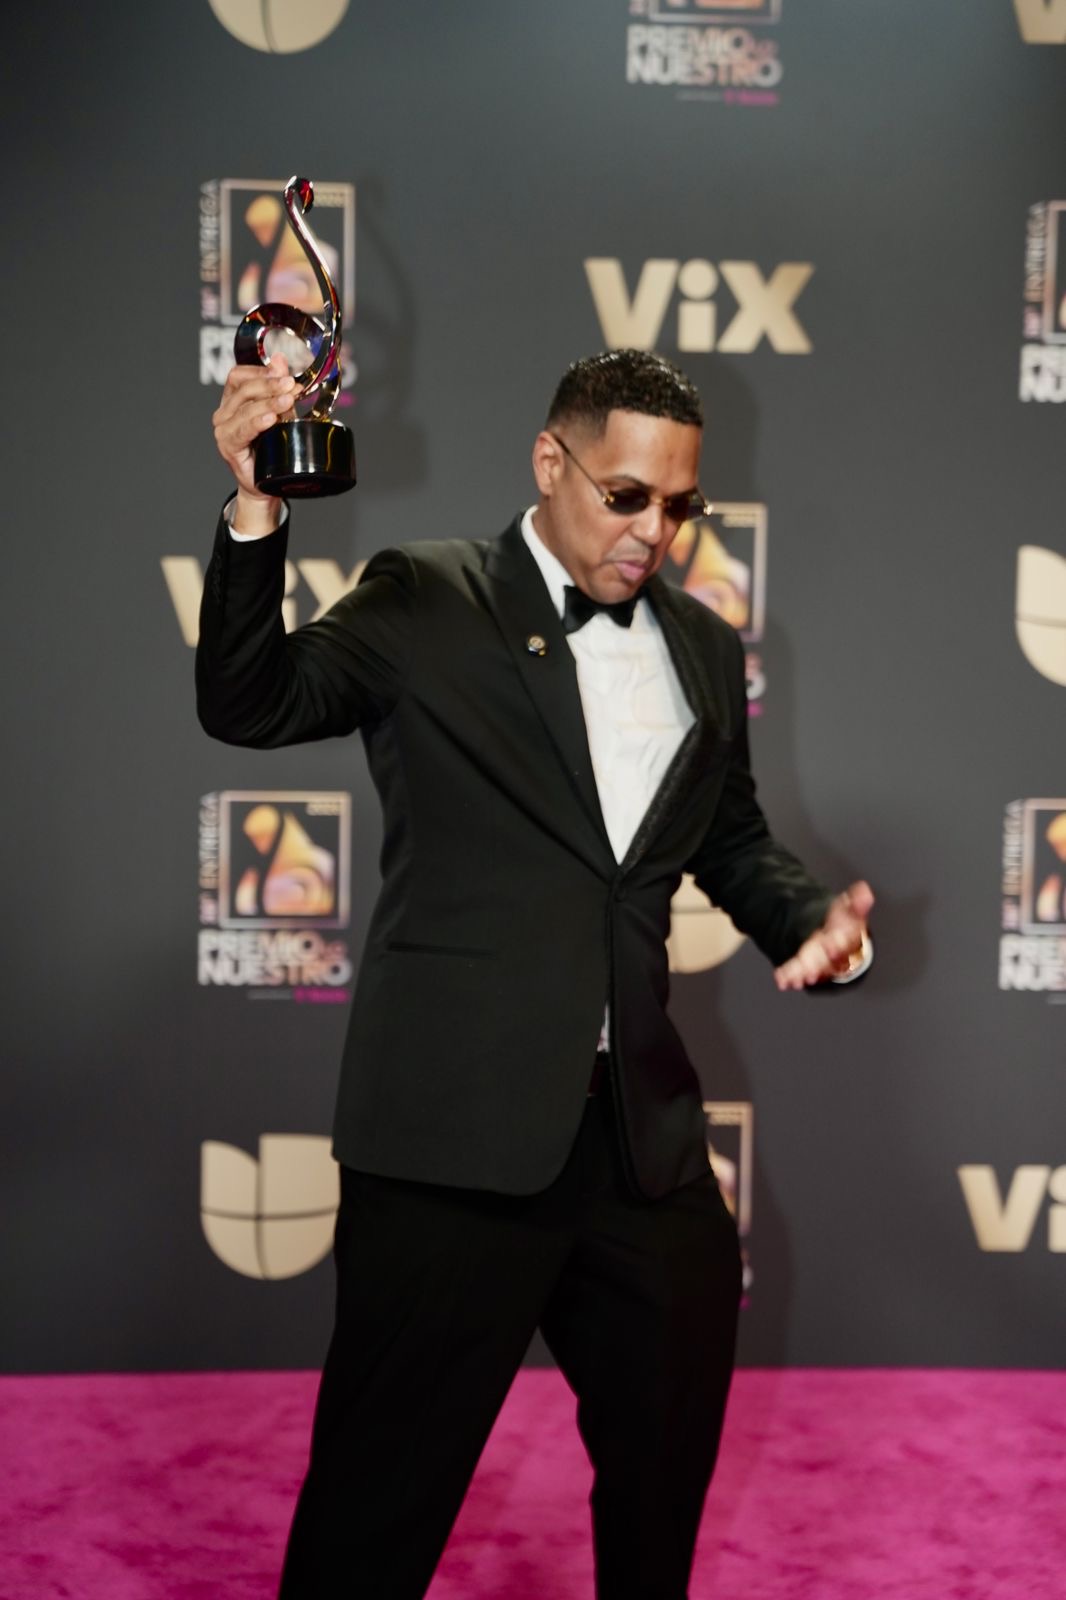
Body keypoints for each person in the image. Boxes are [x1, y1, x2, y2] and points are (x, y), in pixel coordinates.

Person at [199, 347, 873, 1600]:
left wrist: (810, 924)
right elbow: (252, 701)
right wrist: (255, 508)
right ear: (549, 462)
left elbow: (729, 839)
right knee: (374, 1509)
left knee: (661, 1484)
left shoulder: (702, 647)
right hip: (450, 1140)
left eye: (678, 506)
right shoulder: (426, 595)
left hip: (640, 1148)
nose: (654, 531)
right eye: (626, 497)